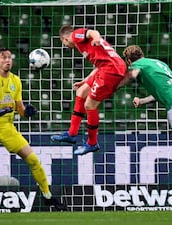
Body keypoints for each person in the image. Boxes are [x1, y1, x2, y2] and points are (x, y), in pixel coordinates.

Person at [0, 47, 67, 212]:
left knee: (34, 160)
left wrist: (27, 112)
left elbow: (19, 108)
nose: (7, 60)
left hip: (7, 127)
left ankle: (48, 197)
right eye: (3, 57)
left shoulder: (15, 81)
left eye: (9, 57)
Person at [117, 45, 172, 212]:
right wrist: (142, 101)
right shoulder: (155, 63)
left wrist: (108, 88)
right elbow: (161, 90)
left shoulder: (138, 66)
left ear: (129, 61)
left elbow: (130, 76)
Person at [51, 25, 127, 155]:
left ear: (64, 38)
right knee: (81, 91)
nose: (65, 45)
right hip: (106, 68)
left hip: (111, 70)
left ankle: (92, 143)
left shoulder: (75, 35)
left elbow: (92, 32)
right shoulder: (83, 45)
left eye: (63, 42)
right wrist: (85, 80)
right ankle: (72, 134)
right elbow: (100, 65)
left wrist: (96, 38)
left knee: (89, 105)